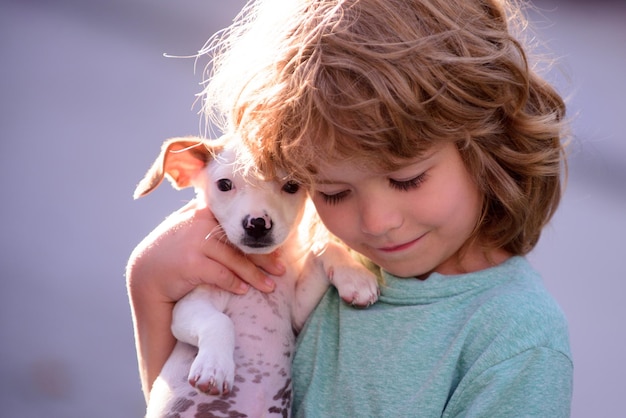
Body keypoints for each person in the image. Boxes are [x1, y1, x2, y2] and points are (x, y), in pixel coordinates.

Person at [126, 0, 573, 415]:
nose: (377, 223)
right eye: (334, 191)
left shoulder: (516, 341)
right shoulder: (332, 262)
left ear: (487, 142)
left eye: (407, 179)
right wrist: (149, 282)